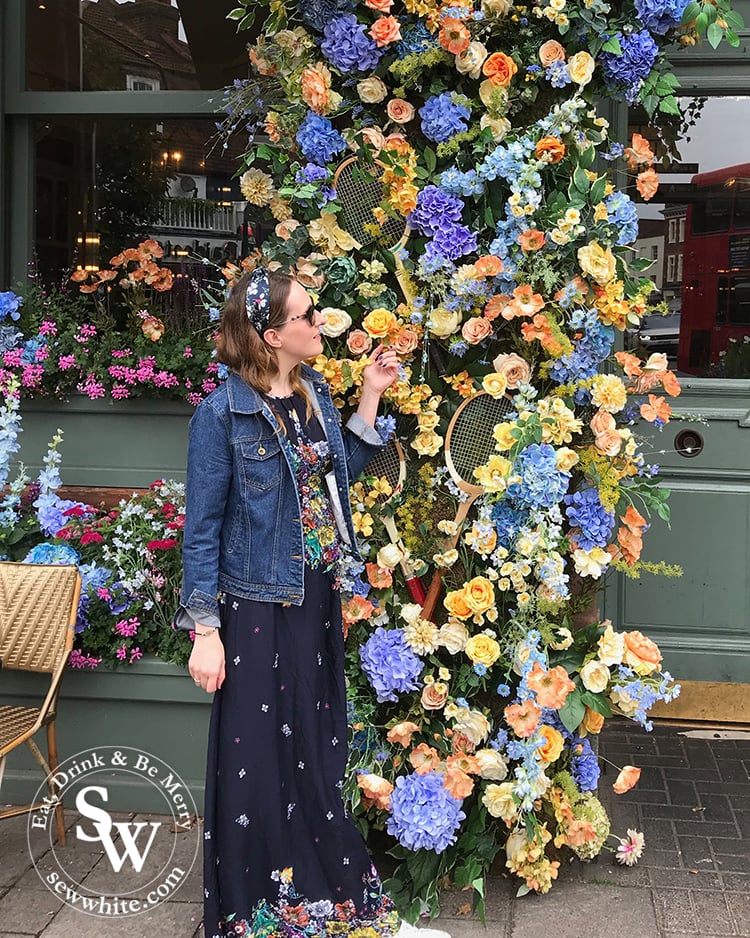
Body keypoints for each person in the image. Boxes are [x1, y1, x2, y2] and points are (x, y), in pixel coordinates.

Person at [179, 267, 451, 938]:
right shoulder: (222, 415)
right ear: (273, 335)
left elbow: (335, 481)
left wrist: (369, 397)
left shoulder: (314, 396)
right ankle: (254, 911)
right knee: (255, 761)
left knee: (315, 747)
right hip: (254, 609)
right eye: (307, 314)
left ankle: (320, 897)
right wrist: (204, 630)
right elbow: (202, 527)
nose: (320, 320)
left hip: (315, 601)